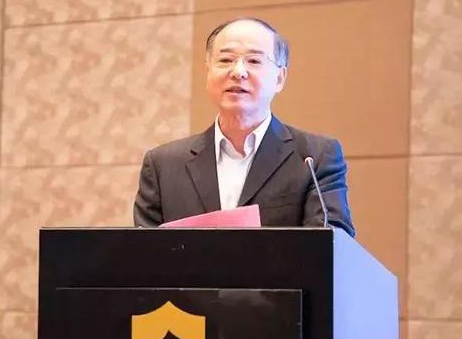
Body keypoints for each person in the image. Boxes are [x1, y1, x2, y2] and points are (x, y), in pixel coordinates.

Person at [133, 17, 355, 236]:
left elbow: (333, 245)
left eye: (254, 61)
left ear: (279, 78)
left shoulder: (314, 157)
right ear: (208, 72)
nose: (238, 71)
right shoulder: (164, 165)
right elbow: (140, 253)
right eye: (225, 60)